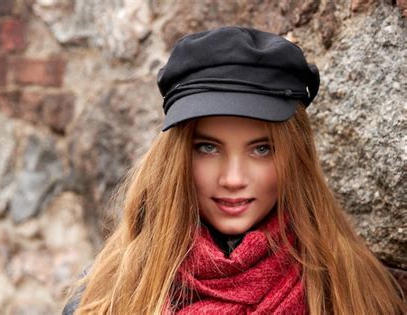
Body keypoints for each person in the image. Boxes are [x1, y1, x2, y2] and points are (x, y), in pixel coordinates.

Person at [62, 26, 405, 314]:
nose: (233, 179)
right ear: (177, 158)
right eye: (207, 148)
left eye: (261, 149)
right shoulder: (108, 293)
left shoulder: (352, 290)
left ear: (294, 157)